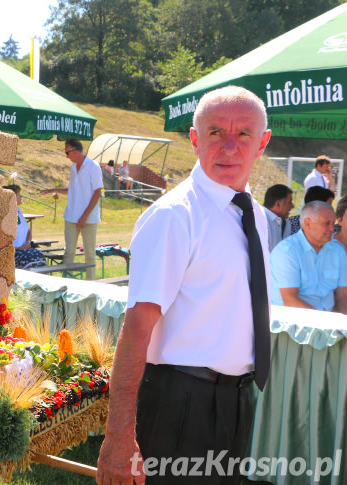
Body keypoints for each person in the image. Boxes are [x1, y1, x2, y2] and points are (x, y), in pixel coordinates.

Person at [96, 86, 272, 485]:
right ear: (194, 140)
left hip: (235, 400)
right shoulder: (175, 216)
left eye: (243, 134)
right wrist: (118, 435)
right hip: (180, 402)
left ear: (262, 142)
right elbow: (137, 328)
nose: (229, 146)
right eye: (214, 133)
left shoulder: (253, 214)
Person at [40, 139, 103, 280]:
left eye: (67, 152)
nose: (66, 156)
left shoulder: (93, 166)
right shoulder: (73, 168)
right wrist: (53, 190)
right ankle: (67, 285)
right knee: (68, 252)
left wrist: (84, 216)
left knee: (89, 254)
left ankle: (91, 286)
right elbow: (73, 191)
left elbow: (98, 192)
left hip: (89, 218)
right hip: (71, 216)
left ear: (74, 151)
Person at [270, 201, 347, 312]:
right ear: (308, 223)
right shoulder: (287, 252)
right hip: (293, 324)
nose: (332, 228)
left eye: (333, 223)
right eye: (327, 223)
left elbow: (343, 296)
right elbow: (290, 301)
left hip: (328, 323)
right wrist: (326, 324)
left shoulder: (337, 250)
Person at [4, 184, 46, 269]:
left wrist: (27, 243)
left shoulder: (18, 211)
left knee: (39, 255)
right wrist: (17, 248)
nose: (21, 196)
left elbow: (28, 231)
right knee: (31, 259)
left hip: (25, 250)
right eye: (18, 194)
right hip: (12, 252)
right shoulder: (3, 215)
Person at [263, 184, 294, 251]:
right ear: (278, 204)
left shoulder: (285, 222)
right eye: (289, 202)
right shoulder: (260, 220)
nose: (292, 206)